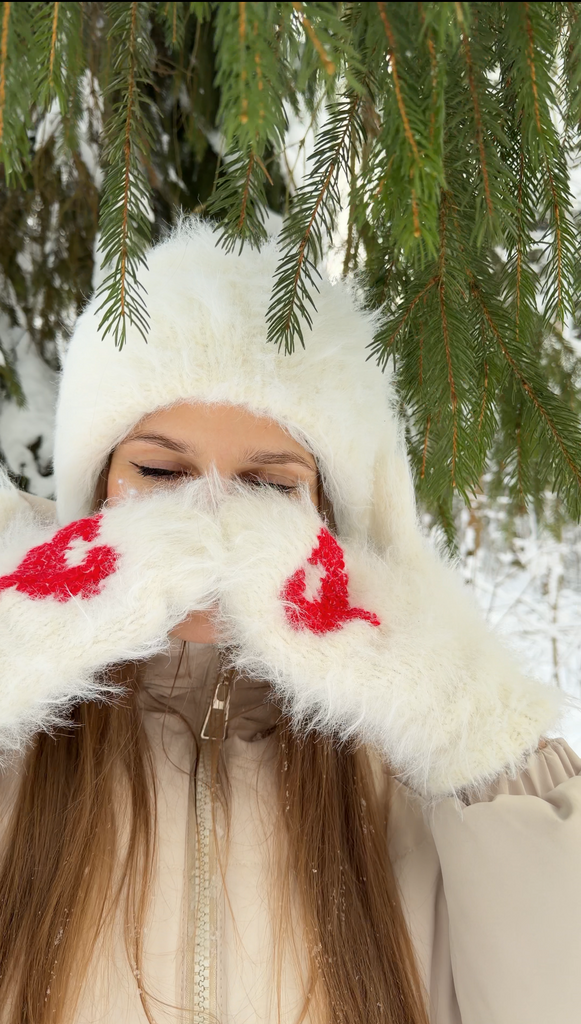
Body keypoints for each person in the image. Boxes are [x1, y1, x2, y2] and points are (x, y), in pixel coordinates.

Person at [0, 220, 579, 1024]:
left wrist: (462, 716)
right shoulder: (18, 752)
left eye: (266, 488)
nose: (208, 519)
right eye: (160, 471)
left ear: (329, 517)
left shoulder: (421, 783)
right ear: (97, 490)